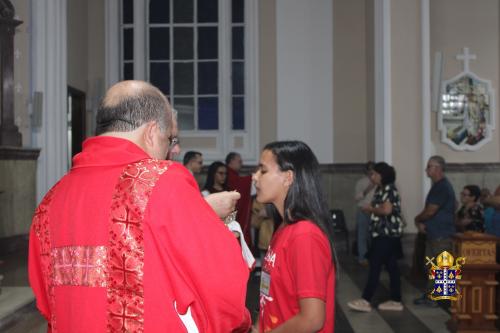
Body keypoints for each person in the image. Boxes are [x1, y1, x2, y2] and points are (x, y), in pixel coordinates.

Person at [28, 80, 251, 332]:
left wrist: (199, 211)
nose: (172, 150)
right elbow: (221, 287)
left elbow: (46, 300)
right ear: (152, 131)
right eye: (171, 139)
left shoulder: (50, 200)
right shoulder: (162, 179)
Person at [252, 141, 336, 333]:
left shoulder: (305, 236)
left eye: (263, 171)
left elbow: (312, 319)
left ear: (288, 177)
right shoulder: (283, 227)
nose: (255, 177)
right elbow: (270, 294)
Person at [347, 162, 404, 312]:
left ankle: (366, 299)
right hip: (382, 233)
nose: (372, 176)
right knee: (392, 267)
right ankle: (396, 300)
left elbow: (386, 210)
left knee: (375, 265)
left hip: (386, 234)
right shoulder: (381, 189)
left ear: (382, 175)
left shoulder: (389, 189)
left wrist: (370, 209)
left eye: (374, 174)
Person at [414, 155, 456, 307]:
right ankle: (434, 297)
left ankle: (445, 301)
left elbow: (431, 211)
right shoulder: (439, 186)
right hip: (436, 233)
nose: (427, 169)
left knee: (442, 267)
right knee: (432, 266)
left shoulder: (442, 187)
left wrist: (418, 219)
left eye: (429, 166)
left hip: (442, 234)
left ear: (438, 168)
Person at [226, 152, 253, 247]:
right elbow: (237, 185)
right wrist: (252, 178)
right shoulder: (228, 174)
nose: (241, 163)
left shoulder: (234, 175)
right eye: (239, 161)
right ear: (231, 161)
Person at [354, 161, 376, 265]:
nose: (371, 173)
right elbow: (357, 198)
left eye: (373, 170)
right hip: (363, 211)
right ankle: (362, 257)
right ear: (366, 171)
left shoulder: (379, 181)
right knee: (362, 235)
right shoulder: (361, 182)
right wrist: (367, 189)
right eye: (369, 170)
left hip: (376, 212)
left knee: (373, 236)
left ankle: (374, 256)